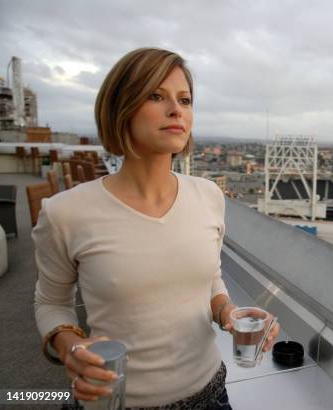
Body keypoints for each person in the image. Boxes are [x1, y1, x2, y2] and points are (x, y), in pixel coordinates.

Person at [32, 47, 280, 409]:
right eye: (156, 96)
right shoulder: (65, 212)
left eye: (185, 99)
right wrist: (70, 347)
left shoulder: (209, 196)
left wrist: (228, 312)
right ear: (122, 107)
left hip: (210, 395)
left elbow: (210, 279)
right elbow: (51, 303)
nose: (176, 109)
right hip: (114, 401)